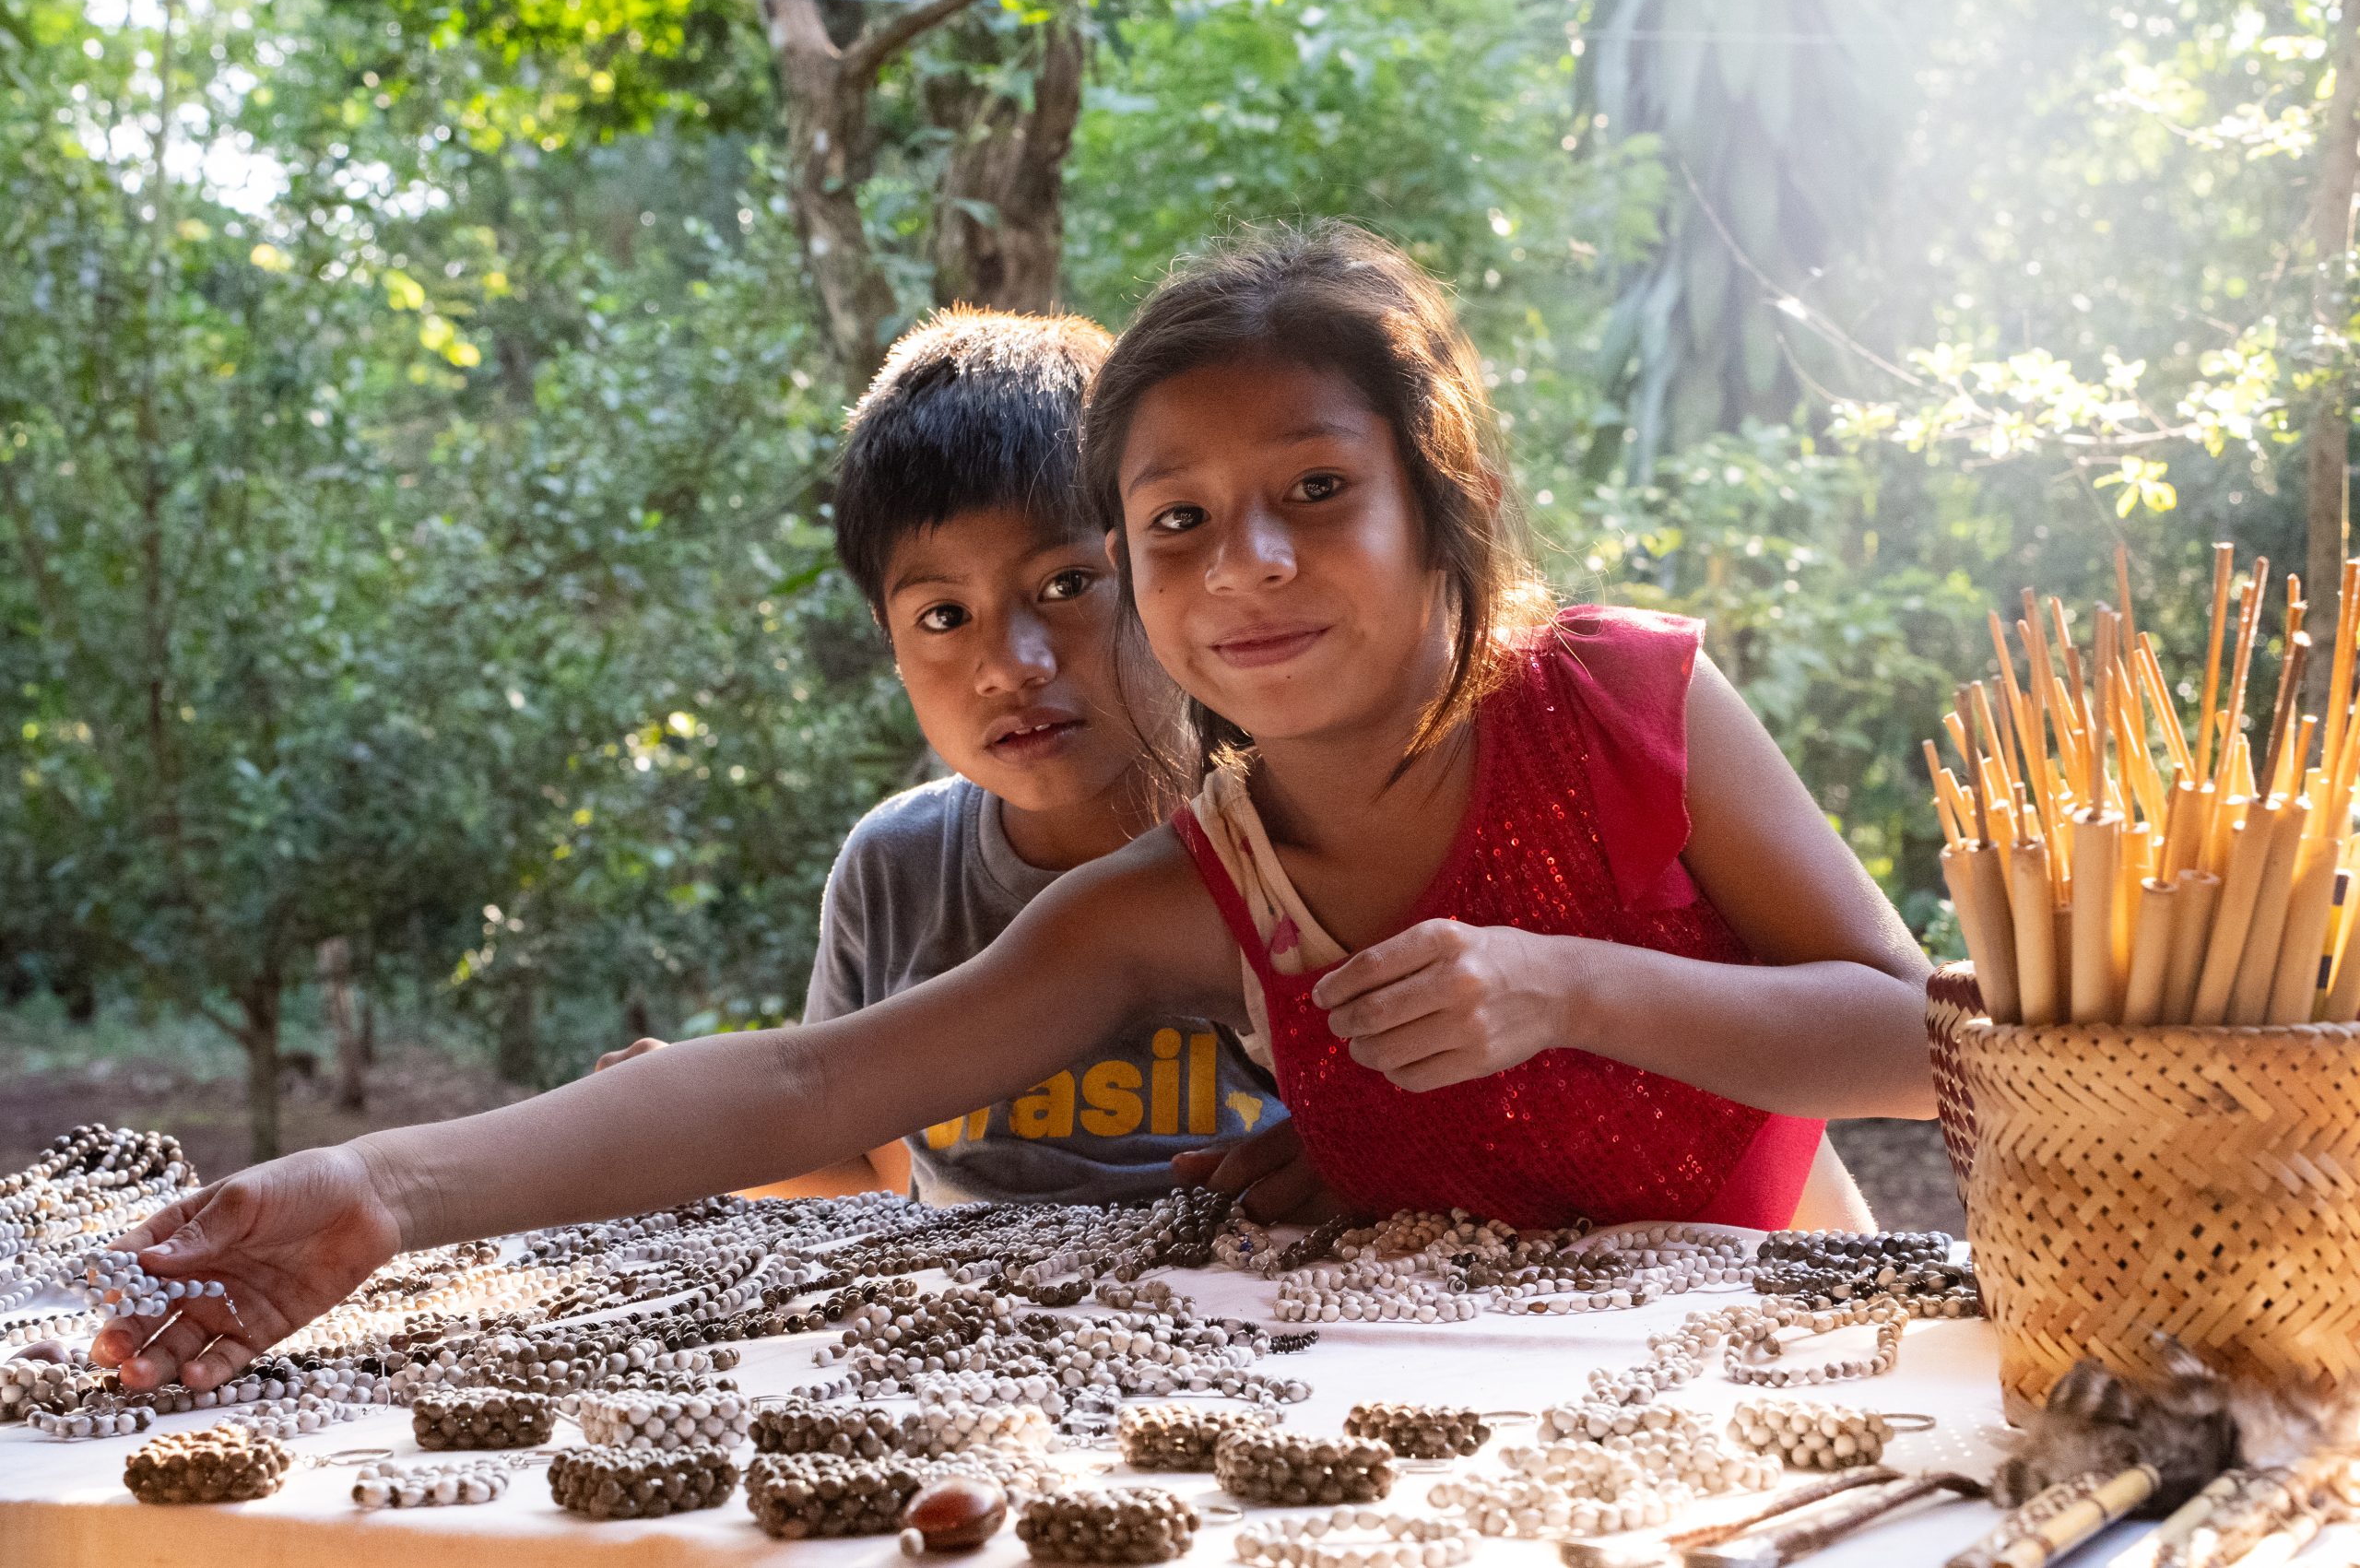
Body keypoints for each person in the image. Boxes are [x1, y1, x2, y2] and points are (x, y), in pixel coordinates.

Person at [96, 224, 1936, 1396]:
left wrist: (1573, 985)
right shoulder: (1193, 891)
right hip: (1460, 1428)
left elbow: (1929, 1049)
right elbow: (813, 1086)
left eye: (1316, 486)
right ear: (1137, 575)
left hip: (1795, 1379)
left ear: (1437, 503)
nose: (1254, 563)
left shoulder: (1622, 701)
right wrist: (374, 1190)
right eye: (1180, 522)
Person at [593, 306, 1293, 1209]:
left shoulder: (1293, 837)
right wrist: (696, 1127)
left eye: (1067, 585)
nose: (1009, 665)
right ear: (889, 641)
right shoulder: (897, 867)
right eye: (942, 617)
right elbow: (867, 1165)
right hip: (971, 1336)